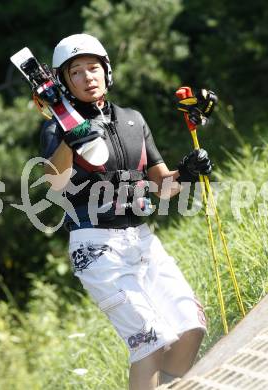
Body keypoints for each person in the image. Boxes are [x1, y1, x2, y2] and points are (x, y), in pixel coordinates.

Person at [40, 33, 212, 390]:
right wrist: (72, 142)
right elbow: (55, 184)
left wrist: (188, 171)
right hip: (96, 247)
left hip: (142, 240)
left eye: (94, 68)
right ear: (64, 83)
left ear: (107, 71)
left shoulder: (133, 119)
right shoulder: (57, 128)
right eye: (76, 72)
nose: (88, 77)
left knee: (191, 326)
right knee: (149, 342)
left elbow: (163, 186)